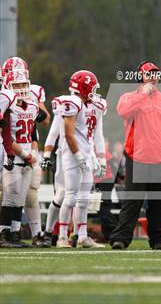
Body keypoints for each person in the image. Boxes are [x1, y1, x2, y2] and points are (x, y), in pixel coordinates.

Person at [109, 61, 161, 250]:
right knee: (132, 201)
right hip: (136, 157)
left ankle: (158, 240)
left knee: (159, 204)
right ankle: (120, 238)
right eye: (148, 74)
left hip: (160, 160)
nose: (152, 77)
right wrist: (143, 95)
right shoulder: (129, 97)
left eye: (155, 74)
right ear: (141, 77)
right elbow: (123, 111)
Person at [56, 70, 105, 248]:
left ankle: (82, 237)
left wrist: (100, 157)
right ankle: (62, 237)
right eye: (92, 88)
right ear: (84, 88)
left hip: (86, 154)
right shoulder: (72, 102)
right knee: (70, 197)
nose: (94, 92)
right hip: (71, 155)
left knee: (84, 199)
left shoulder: (94, 105)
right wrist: (78, 156)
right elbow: (69, 135)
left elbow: (97, 134)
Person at [0, 70, 43, 248]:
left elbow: (33, 132)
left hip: (28, 156)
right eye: (16, 85)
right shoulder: (7, 106)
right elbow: (7, 136)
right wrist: (26, 155)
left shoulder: (32, 106)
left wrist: (33, 153)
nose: (21, 88)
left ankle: (15, 234)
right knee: (10, 196)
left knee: (20, 198)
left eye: (23, 84)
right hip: (13, 154)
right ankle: (3, 234)